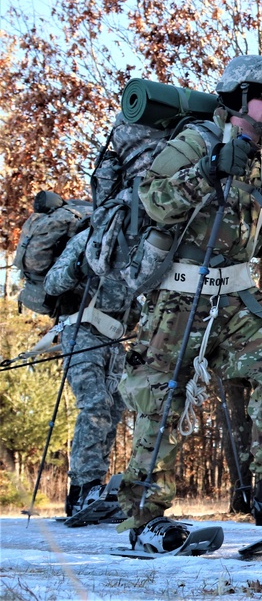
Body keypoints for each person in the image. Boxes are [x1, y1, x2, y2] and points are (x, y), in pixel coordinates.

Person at [115, 55, 262, 552]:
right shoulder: (195, 141)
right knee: (160, 399)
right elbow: (153, 199)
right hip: (179, 297)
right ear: (237, 98)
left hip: (236, 295)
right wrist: (209, 170)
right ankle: (145, 522)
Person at [44, 221, 138, 519]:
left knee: (114, 409)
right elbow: (52, 283)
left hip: (116, 336)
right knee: (96, 404)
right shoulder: (89, 239)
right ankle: (84, 488)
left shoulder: (144, 246)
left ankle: (95, 492)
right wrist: (79, 265)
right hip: (81, 329)